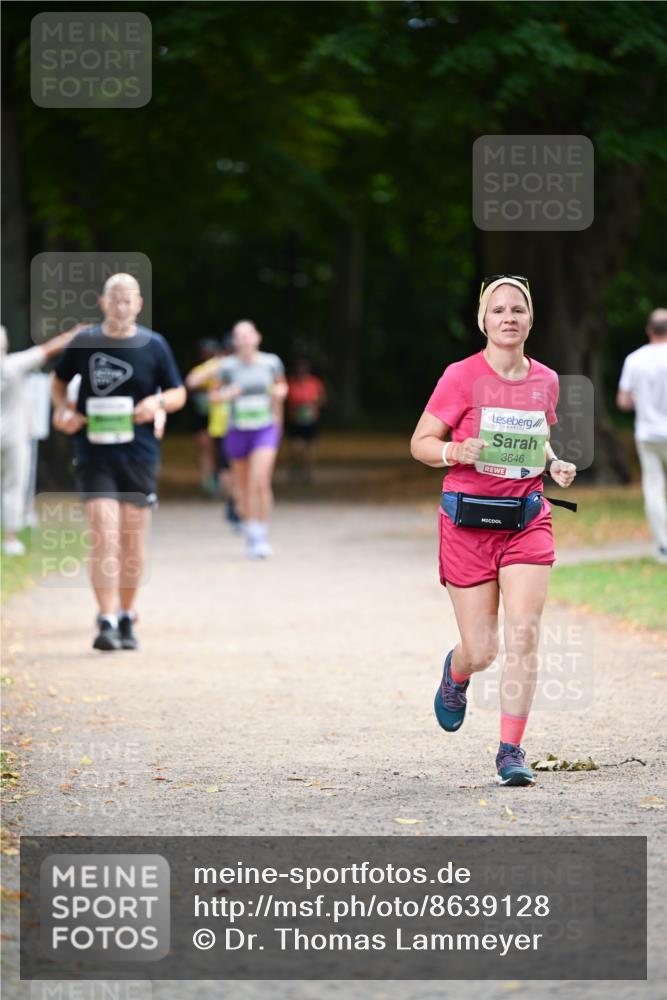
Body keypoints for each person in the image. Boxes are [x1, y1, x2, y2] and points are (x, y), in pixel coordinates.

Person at [411, 275, 577, 787]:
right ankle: (457, 672)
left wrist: (555, 464)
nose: (508, 317)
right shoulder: (460, 376)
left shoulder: (546, 379)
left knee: (524, 635)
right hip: (467, 524)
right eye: (498, 310)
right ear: (483, 320)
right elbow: (420, 441)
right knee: (482, 649)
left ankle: (510, 751)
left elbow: (537, 437)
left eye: (518, 310)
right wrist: (452, 452)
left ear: (530, 320)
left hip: (526, 520)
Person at [51, 273, 186, 651]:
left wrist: (156, 403)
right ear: (103, 302)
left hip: (139, 454)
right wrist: (63, 411)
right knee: (104, 533)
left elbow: (178, 392)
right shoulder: (85, 342)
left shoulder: (154, 345)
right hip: (94, 452)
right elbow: (59, 384)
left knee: (132, 536)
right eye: (116, 299)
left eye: (129, 300)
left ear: (139, 304)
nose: (122, 306)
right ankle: (105, 618)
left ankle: (128, 614)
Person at [1, 325, 78, 555]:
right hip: (15, 436)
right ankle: (10, 537)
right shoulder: (12, 365)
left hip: (14, 434)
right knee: (14, 485)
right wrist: (74, 334)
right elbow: (47, 350)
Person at [214, 319, 287, 559]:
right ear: (234, 341)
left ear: (257, 337)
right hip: (237, 430)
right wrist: (227, 394)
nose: (244, 339)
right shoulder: (227, 366)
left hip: (264, 429)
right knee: (242, 487)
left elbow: (281, 388)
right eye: (239, 336)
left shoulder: (271, 362)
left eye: (248, 334)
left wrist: (280, 393)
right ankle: (251, 532)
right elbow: (213, 397)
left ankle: (262, 533)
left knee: (261, 481)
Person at [616, 308, 667, 564]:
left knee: (654, 489)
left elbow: (623, 401)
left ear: (649, 330)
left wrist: (639, 399)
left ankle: (663, 546)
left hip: (647, 433)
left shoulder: (635, 359)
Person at [185, 335, 240, 526]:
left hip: (242, 423)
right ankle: (217, 490)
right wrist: (217, 365)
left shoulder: (247, 367)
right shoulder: (217, 367)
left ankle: (235, 499)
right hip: (219, 423)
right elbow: (192, 381)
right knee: (218, 458)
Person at [187, 339, 223, 497]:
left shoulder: (224, 368)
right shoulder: (201, 369)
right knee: (205, 450)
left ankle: (220, 482)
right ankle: (207, 483)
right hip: (202, 416)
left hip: (220, 417)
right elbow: (190, 383)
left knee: (220, 452)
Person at [285, 358, 326, 483]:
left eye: (304, 369)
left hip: (311, 420)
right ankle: (296, 466)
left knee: (310, 448)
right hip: (295, 421)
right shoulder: (290, 383)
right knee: (296, 448)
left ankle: (309, 472)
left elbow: (323, 398)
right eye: (299, 369)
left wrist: (314, 406)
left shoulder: (315, 382)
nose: (301, 371)